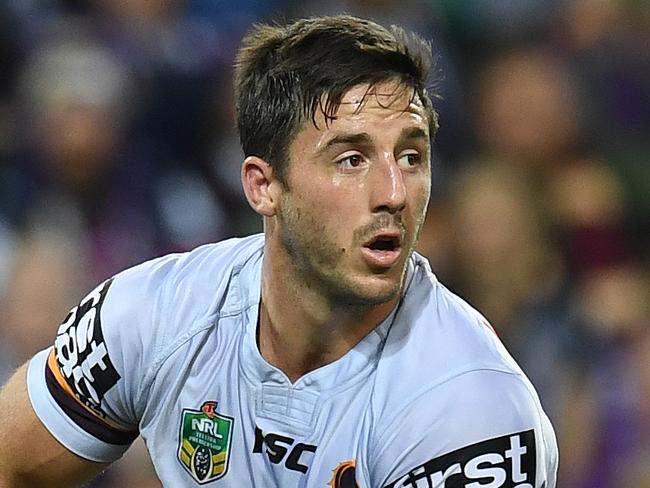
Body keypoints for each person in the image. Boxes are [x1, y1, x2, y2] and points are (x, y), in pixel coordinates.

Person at [0, 15, 558, 487]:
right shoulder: (153, 315)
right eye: (351, 159)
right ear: (263, 186)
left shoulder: (473, 418)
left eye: (411, 156)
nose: (393, 194)